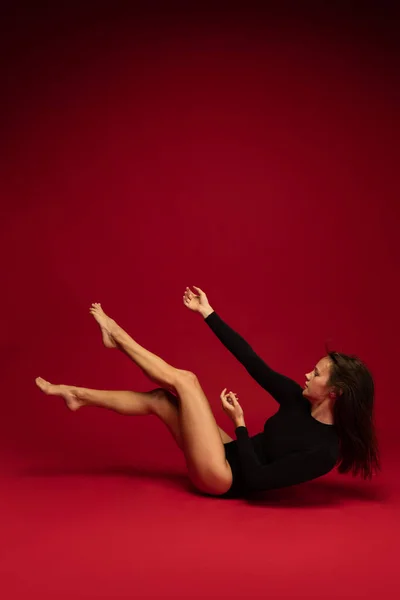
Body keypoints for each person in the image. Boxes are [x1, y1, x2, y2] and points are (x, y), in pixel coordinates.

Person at [35, 287, 380, 499]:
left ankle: (117, 337)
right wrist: (208, 313)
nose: (307, 373)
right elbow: (250, 360)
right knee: (160, 399)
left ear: (334, 392)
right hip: (224, 451)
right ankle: (78, 395)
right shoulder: (295, 396)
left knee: (187, 381)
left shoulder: (324, 450)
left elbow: (258, 480)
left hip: (223, 479)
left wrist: (241, 424)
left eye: (316, 373)